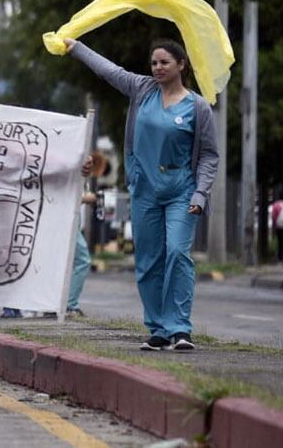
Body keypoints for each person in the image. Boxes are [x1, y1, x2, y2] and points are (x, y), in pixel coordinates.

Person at [65, 37, 218, 352]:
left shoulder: (197, 107)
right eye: (154, 63)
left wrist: (200, 193)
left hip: (182, 191)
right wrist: (76, 47)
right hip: (145, 190)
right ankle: (158, 328)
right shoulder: (142, 89)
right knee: (148, 260)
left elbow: (209, 156)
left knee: (177, 252)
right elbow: (108, 70)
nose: (158, 68)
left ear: (181, 65)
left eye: (164, 62)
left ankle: (179, 328)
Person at [66, 152, 109, 317]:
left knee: (68, 263)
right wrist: (88, 198)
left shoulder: (82, 174)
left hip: (72, 221)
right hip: (67, 220)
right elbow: (69, 195)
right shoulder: (75, 169)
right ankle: (70, 305)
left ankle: (64, 304)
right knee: (83, 260)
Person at [272, 187, 283, 263]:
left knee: (280, 242)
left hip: (279, 226)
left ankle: (280, 257)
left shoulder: (276, 205)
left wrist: (274, 226)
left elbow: (274, 216)